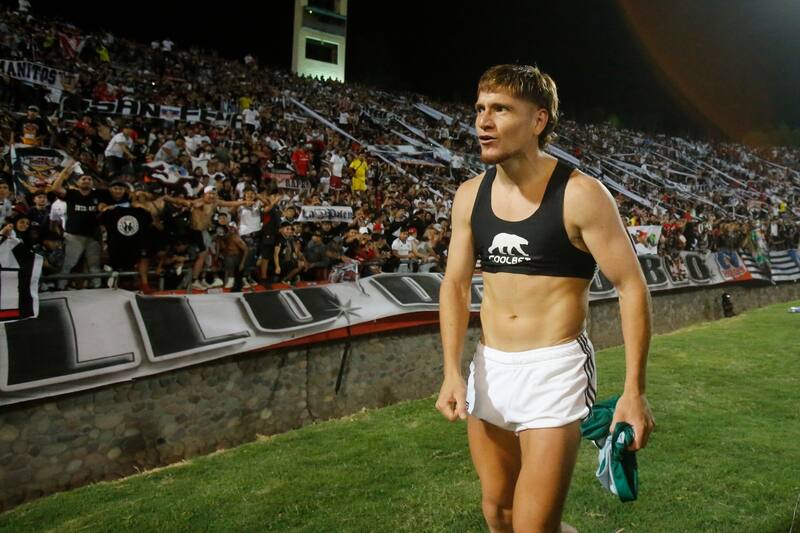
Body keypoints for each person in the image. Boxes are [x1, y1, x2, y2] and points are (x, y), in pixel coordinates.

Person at [435, 64, 655, 533]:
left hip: (554, 371)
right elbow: (455, 284)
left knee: (533, 527)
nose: (483, 121)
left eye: (500, 109)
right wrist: (452, 371)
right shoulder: (469, 196)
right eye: (480, 108)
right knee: (499, 514)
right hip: (491, 368)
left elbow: (631, 286)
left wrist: (634, 391)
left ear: (538, 120)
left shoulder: (581, 194)